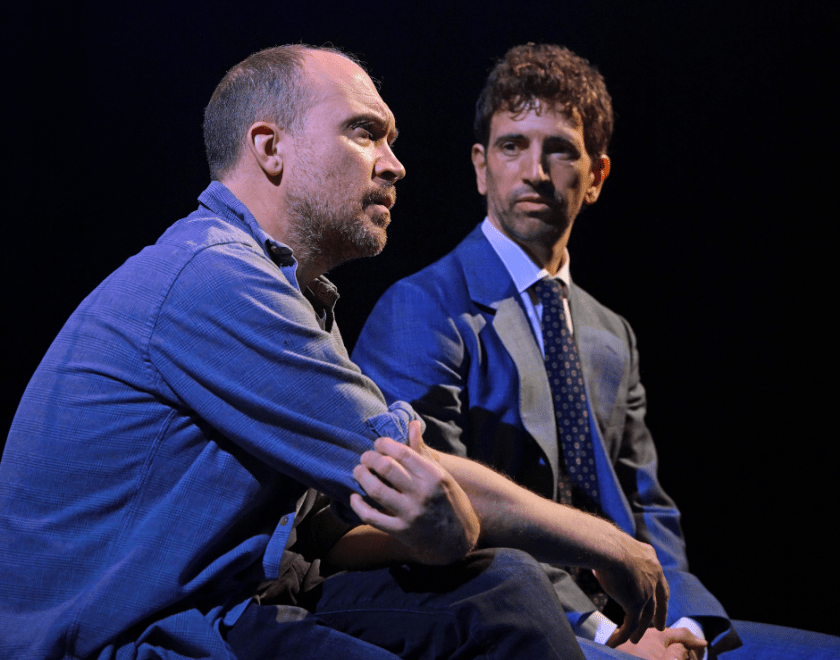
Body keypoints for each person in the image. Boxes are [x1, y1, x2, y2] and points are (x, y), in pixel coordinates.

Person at [0, 44, 671, 660]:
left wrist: (448, 531)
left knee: (498, 592)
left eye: (391, 140)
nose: (395, 163)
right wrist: (605, 542)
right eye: (364, 132)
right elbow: (402, 464)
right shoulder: (212, 274)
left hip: (229, 608)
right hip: (122, 637)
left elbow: (334, 527)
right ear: (270, 147)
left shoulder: (293, 292)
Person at [352, 43, 840, 660]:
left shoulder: (611, 332)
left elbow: (647, 505)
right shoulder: (421, 308)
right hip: (515, 614)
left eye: (559, 149)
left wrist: (684, 625)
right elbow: (439, 512)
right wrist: (605, 633)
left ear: (597, 178)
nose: (534, 170)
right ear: (480, 168)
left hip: (645, 615)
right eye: (512, 145)